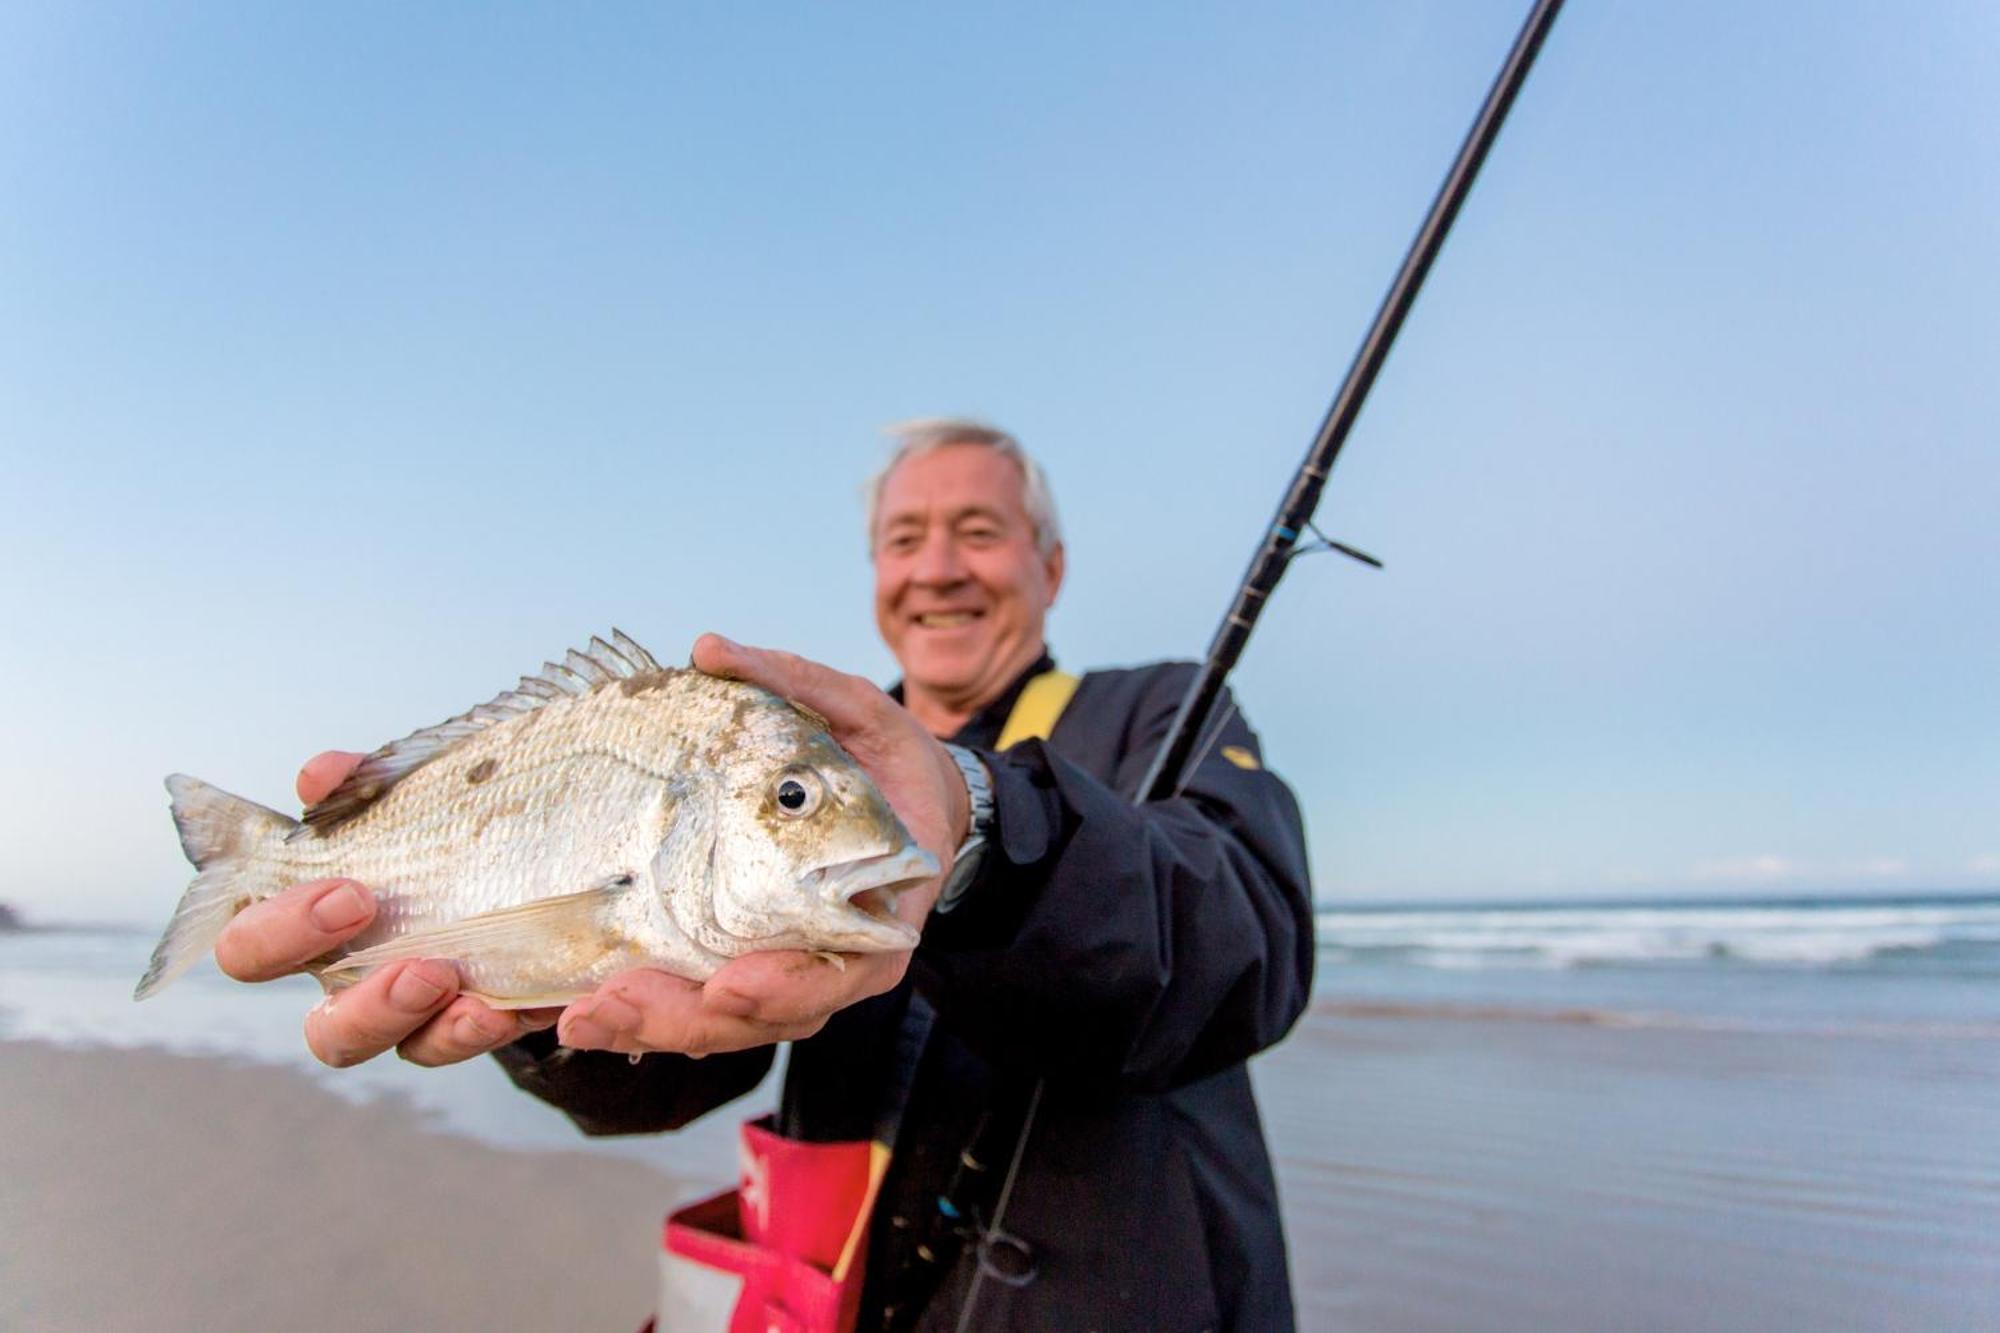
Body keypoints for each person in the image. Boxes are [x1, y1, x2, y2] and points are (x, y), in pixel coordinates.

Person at [216, 420, 1316, 1330]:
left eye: (978, 532)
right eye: (905, 538)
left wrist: (980, 825)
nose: (937, 567)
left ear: (1051, 565)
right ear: (877, 571)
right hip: (832, 1293)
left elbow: (1245, 942)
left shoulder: (1160, 713)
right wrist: (542, 1007)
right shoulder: (779, 743)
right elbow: (681, 1060)